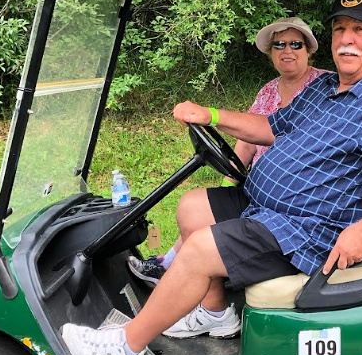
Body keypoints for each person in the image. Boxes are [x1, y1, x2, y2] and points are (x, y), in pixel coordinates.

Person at [61, 0, 362, 355]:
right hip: (268, 208)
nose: (347, 39)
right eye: (340, 28)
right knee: (193, 207)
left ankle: (125, 347)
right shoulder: (323, 87)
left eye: (361, 29)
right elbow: (269, 127)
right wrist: (210, 114)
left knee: (197, 250)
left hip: (308, 232)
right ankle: (214, 313)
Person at [127, 17, 327, 288]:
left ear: (309, 50)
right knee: (196, 207)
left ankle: (174, 272)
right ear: (271, 52)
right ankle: (170, 267)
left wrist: (210, 115)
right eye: (279, 44)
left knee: (204, 217)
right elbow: (248, 141)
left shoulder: (324, 86)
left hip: (293, 195)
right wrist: (229, 180)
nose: (287, 51)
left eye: (296, 44)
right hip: (259, 187)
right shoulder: (269, 90)